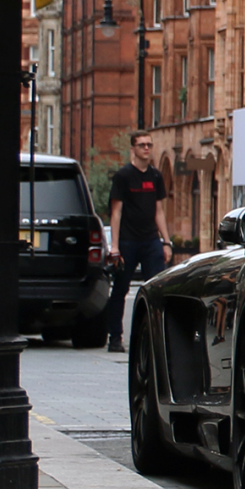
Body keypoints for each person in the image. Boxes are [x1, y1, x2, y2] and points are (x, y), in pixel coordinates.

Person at [104, 133, 172, 352]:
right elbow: (116, 212)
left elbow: (159, 211)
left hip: (151, 240)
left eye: (149, 145)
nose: (146, 148)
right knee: (120, 289)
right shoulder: (123, 176)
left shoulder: (155, 176)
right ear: (133, 148)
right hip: (128, 241)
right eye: (142, 145)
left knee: (156, 289)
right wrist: (114, 247)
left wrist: (166, 241)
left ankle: (155, 336)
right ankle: (115, 337)